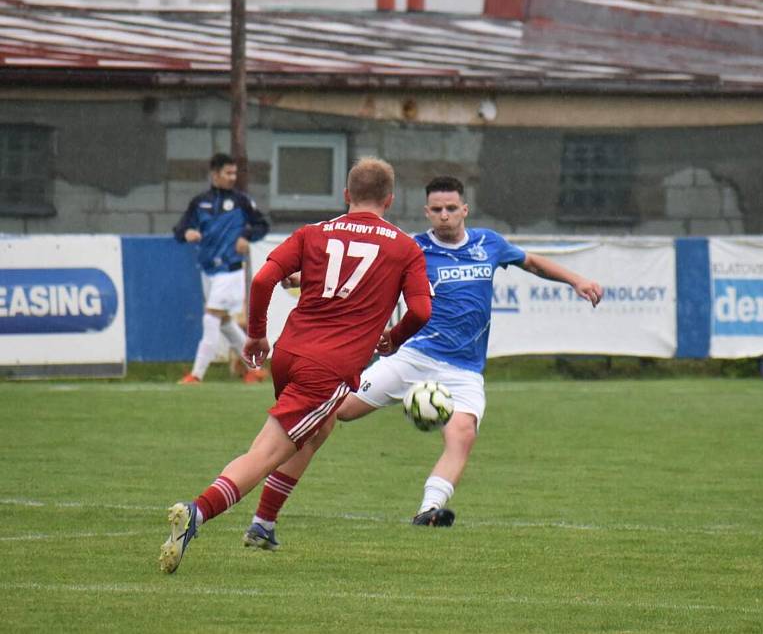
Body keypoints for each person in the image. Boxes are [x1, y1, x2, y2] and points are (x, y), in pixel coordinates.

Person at [241, 175, 603, 549]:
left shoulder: (488, 244)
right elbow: (358, 272)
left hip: (463, 370)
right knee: (329, 412)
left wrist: (575, 280)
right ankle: (264, 501)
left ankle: (429, 510)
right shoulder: (412, 248)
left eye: (451, 208)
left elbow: (532, 263)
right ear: (426, 211)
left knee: (462, 435)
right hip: (410, 356)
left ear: (465, 209)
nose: (444, 215)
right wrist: (302, 276)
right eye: (437, 209)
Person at [159, 157, 433, 574]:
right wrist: (392, 340)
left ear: (346, 195)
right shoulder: (404, 247)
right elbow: (420, 310)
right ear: (390, 200)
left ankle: (264, 524)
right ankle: (197, 512)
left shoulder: (313, 233)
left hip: (290, 353)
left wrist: (255, 334)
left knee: (319, 428)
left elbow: (263, 280)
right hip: (329, 366)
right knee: (268, 451)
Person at [173, 152, 270, 385]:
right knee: (225, 322)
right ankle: (253, 368)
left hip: (230, 269)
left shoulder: (241, 201)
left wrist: (247, 236)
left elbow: (262, 224)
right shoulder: (199, 203)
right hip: (207, 270)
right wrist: (187, 233)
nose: (232, 177)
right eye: (228, 173)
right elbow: (179, 229)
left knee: (211, 317)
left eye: (234, 173)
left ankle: (196, 374)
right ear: (214, 174)